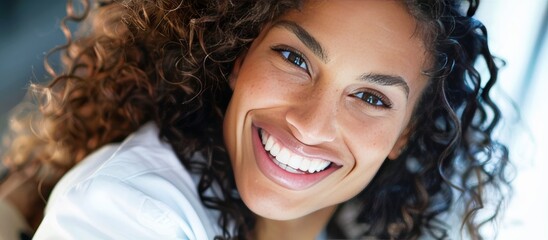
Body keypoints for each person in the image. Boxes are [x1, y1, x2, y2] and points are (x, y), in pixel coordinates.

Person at [0, 0, 510, 239]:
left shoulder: (362, 227)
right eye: (294, 59)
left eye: (372, 98)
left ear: (405, 136)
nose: (310, 126)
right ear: (239, 57)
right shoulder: (131, 211)